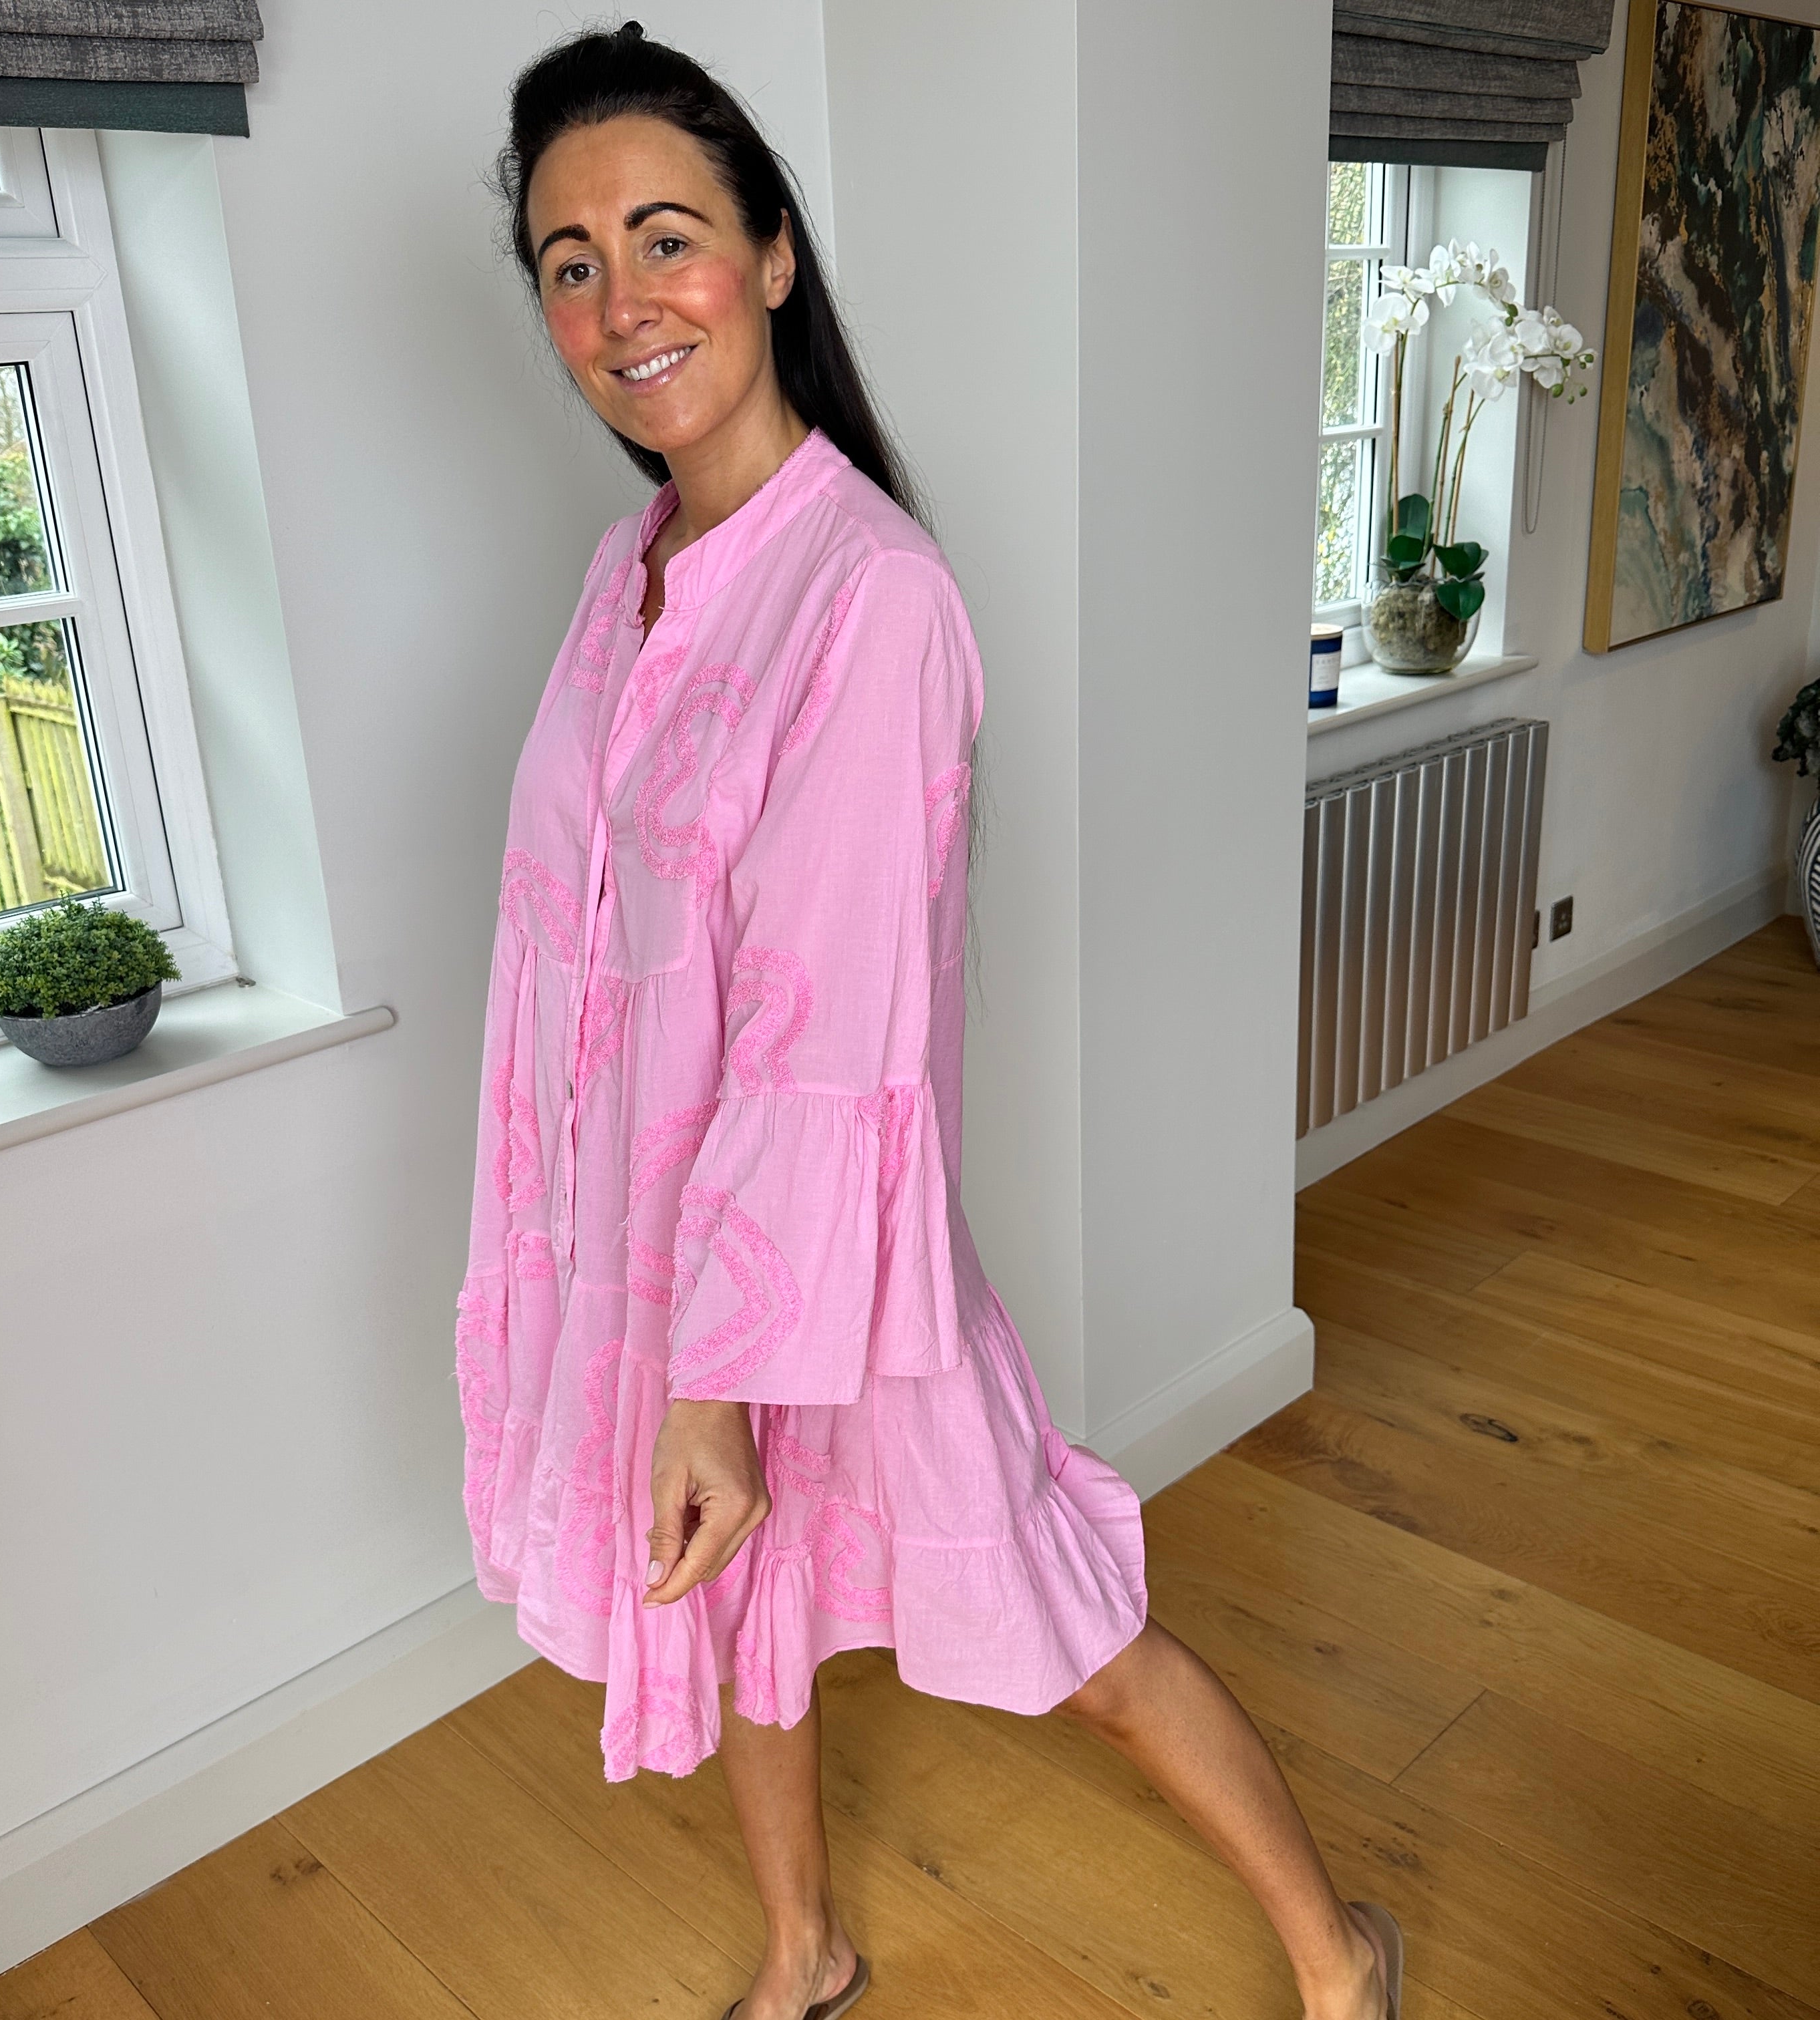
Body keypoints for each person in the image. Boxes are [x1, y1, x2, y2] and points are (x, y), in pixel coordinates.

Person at [455, 23, 1404, 2020]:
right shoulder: (627, 572)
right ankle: (805, 1952)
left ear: (773, 256)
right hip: (652, 1249)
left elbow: (831, 1031)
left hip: (828, 1266)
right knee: (745, 1610)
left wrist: (714, 1385)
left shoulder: (868, 594)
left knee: (1059, 1617)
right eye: (569, 263)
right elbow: (583, 952)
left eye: (666, 238)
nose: (622, 304)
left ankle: (1341, 1957)